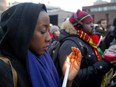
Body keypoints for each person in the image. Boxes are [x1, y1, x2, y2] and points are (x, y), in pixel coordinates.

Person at [0, 3, 82, 87]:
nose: (49, 38)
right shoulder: (5, 70)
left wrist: (67, 80)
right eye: (43, 31)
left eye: (48, 30)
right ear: (23, 32)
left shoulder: (44, 58)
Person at [57, 9, 116, 87]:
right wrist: (104, 63)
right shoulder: (70, 44)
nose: (92, 25)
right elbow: (73, 78)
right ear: (78, 26)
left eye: (92, 22)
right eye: (88, 23)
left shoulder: (86, 40)